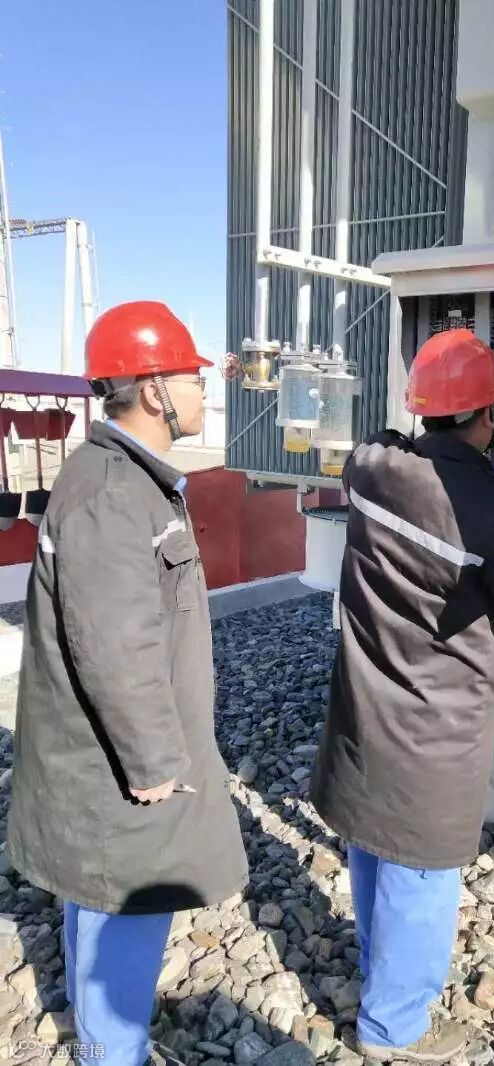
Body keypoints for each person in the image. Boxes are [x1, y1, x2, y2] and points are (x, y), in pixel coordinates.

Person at [311, 329, 494, 1063]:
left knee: (374, 837)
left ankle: (378, 972)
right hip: (439, 717)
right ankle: (395, 1028)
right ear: (488, 415)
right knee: (422, 865)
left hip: (369, 696)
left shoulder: (370, 468)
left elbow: (381, 443)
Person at [6, 301, 248, 1066]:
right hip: (118, 763)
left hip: (107, 753)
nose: (203, 391)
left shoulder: (127, 479)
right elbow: (115, 646)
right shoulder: (115, 492)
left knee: (100, 893)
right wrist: (154, 762)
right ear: (152, 390)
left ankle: (104, 1038)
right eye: (192, 378)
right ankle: (113, 1050)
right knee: (128, 896)